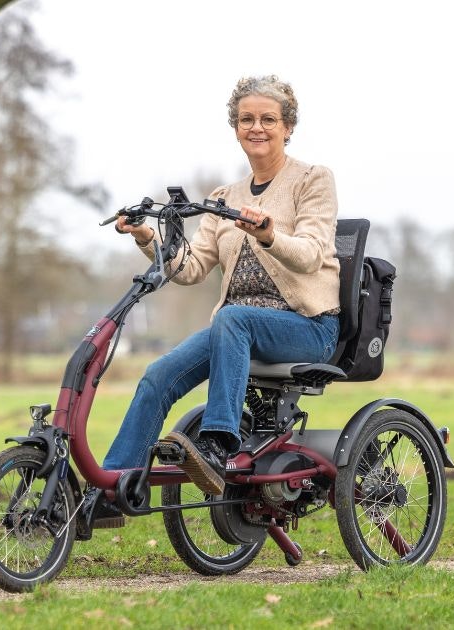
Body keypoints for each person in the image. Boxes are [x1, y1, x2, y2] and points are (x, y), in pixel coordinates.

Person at [78, 75, 341, 536]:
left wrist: (268, 233)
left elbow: (312, 254)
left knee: (233, 318)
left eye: (268, 119)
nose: (256, 127)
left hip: (307, 326)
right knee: (159, 375)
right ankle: (113, 489)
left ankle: (219, 443)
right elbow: (192, 267)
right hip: (238, 330)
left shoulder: (313, 180)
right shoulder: (225, 198)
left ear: (288, 127)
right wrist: (146, 238)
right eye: (246, 120)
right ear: (235, 127)